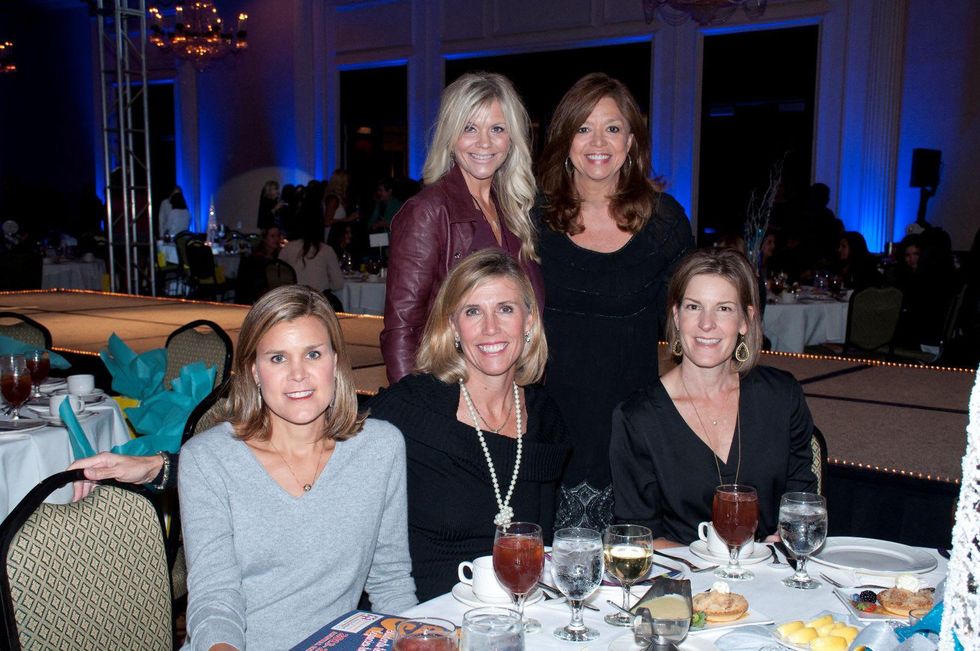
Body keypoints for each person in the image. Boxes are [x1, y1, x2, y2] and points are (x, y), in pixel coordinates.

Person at [179, 285, 416, 649]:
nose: (298, 375)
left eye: (313, 354)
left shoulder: (380, 448)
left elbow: (391, 582)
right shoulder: (207, 460)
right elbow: (214, 600)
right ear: (254, 371)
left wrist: (414, 640)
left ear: (335, 362)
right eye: (277, 358)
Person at [535, 73, 693, 531]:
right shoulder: (533, 219)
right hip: (547, 424)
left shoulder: (665, 222)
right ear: (565, 141)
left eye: (612, 127)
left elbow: (687, 328)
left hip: (631, 430)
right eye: (583, 128)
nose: (597, 141)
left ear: (632, 141)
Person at [368, 250, 568, 602]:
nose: (491, 328)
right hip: (424, 618)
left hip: (520, 613)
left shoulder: (545, 418)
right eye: (473, 311)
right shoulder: (408, 410)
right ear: (452, 328)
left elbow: (544, 545)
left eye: (505, 309)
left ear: (529, 323)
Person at [610, 248, 818, 547]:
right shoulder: (637, 418)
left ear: (746, 320)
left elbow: (803, 501)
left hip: (769, 575)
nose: (707, 324)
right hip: (685, 580)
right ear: (676, 316)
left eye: (723, 309)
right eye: (694, 307)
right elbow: (640, 536)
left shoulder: (782, 397)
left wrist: (788, 541)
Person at [381, 72, 544, 385]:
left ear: (511, 140)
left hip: (514, 391)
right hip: (452, 393)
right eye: (469, 128)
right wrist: (413, 409)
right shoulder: (427, 212)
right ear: (450, 135)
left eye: (497, 129)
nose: (484, 142)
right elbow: (402, 328)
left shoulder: (517, 210)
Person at [279, 183, 345, 298]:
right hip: (317, 303)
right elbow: (338, 284)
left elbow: (278, 279)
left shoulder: (287, 249)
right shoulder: (326, 250)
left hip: (292, 301)